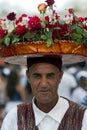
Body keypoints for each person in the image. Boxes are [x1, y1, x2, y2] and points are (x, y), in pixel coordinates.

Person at [1, 54, 87, 130]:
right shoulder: (14, 117)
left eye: (50, 76)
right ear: (28, 76)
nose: (44, 84)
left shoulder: (83, 117)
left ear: (60, 77)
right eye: (37, 76)